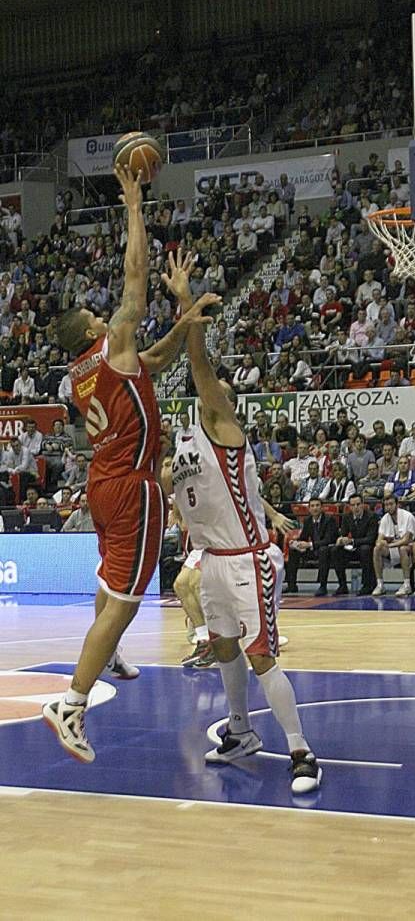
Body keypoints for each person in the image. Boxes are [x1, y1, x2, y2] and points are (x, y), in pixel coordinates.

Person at [43, 170, 217, 764]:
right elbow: (135, 283)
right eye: (101, 315)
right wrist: (136, 206)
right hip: (133, 484)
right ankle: (71, 702)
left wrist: (187, 315)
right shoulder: (112, 337)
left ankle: (109, 652)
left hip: (102, 482)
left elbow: (157, 358)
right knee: (124, 602)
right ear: (94, 327)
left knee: (108, 582)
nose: (109, 314)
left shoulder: (89, 369)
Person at [164, 283, 322, 794]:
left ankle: (301, 750)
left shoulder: (226, 431)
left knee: (259, 656)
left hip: (246, 561)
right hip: (211, 559)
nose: (216, 397)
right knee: (224, 646)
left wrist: (188, 314)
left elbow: (200, 371)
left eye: (222, 395)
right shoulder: (187, 438)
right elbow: (174, 482)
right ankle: (240, 731)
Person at [285, 497, 338, 597]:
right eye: (312, 506)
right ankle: (291, 585)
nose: (315, 508)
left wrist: (309, 544)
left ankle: (323, 586)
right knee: (293, 551)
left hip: (328, 550)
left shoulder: (329, 520)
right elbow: (303, 537)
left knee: (323, 550)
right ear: (309, 509)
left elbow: (328, 540)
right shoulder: (308, 520)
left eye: (317, 505)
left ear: (322, 507)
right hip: (313, 550)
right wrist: (296, 543)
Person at [330, 493, 378, 595]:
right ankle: (342, 585)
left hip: (367, 548)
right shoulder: (347, 517)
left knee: (365, 549)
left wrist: (352, 541)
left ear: (363, 504)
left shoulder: (371, 516)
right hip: (353, 548)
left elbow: (370, 538)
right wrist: (341, 540)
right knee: (335, 550)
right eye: (353, 505)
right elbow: (343, 533)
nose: (356, 507)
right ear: (349, 506)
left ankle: (367, 585)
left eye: (358, 504)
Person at [372, 493, 415, 597]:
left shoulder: (407, 516)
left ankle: (407, 584)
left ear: (397, 505)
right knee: (377, 549)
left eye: (391, 504)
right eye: (386, 505)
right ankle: (380, 584)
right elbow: (378, 540)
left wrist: (388, 545)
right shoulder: (385, 518)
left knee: (402, 548)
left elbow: (406, 540)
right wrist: (381, 543)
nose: (389, 507)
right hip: (394, 547)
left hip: (412, 548)